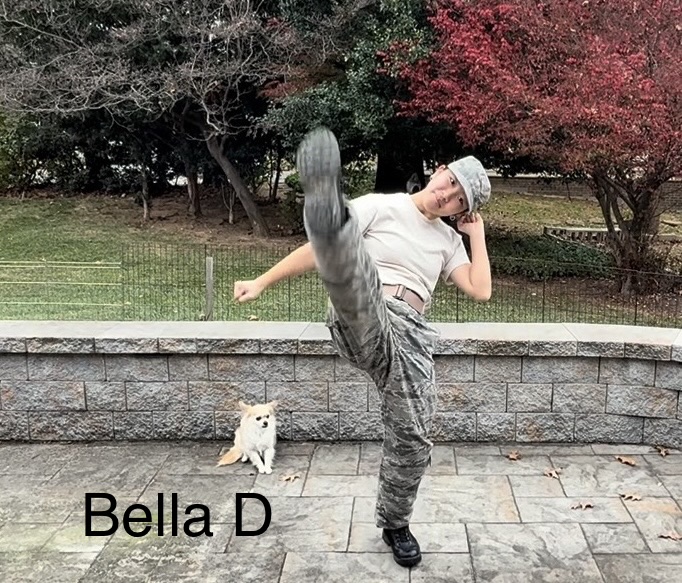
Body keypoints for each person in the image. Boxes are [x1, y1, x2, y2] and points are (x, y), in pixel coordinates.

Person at [233, 127, 492, 568]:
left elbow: (480, 290)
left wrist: (476, 235)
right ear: (438, 170)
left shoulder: (449, 241)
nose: (445, 196)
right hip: (364, 311)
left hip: (410, 338)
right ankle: (331, 220)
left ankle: (396, 524)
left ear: (462, 212)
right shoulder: (382, 206)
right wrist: (261, 281)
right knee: (355, 268)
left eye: (458, 200)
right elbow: (315, 252)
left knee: (414, 438)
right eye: (448, 182)